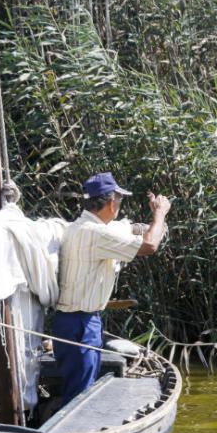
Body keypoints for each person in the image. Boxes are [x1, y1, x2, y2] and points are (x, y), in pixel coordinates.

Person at [53, 172, 170, 404]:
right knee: (80, 395)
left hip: (75, 321)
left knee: (80, 387)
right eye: (119, 201)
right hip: (80, 323)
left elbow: (127, 229)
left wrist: (151, 224)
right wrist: (160, 213)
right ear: (109, 203)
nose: (119, 206)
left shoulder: (80, 227)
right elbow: (150, 245)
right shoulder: (96, 234)